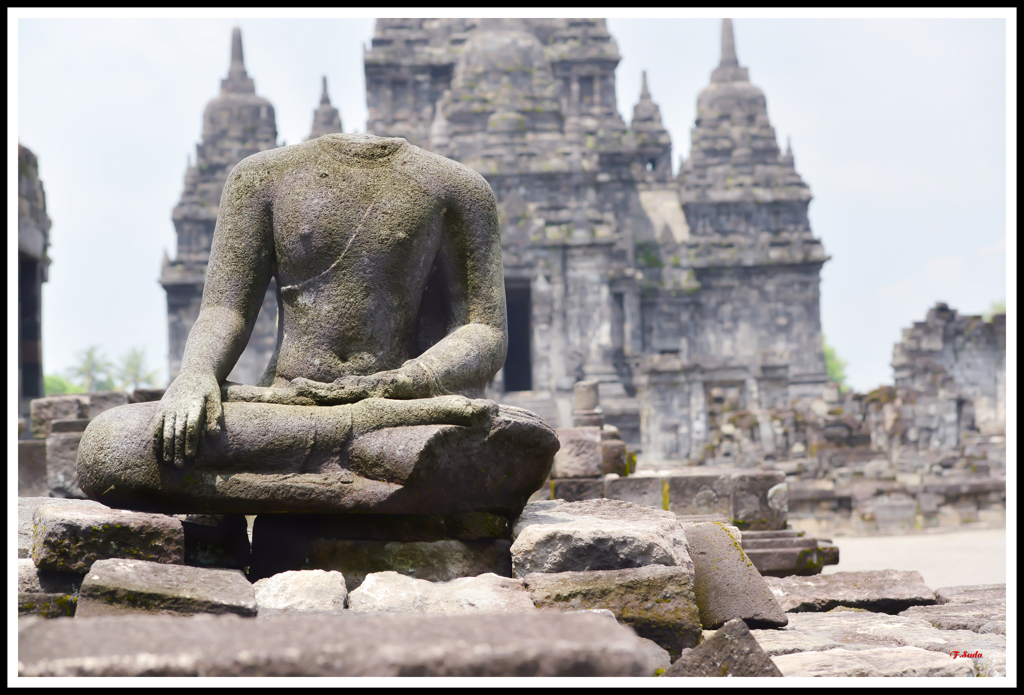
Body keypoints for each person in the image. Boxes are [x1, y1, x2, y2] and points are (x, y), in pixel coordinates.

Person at [77, 134, 556, 516]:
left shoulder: (457, 188)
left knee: (501, 439)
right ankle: (362, 453)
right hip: (288, 402)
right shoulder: (261, 177)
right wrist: (197, 374)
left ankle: (352, 444)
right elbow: (226, 309)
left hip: (403, 404)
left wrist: (407, 380)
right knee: (111, 446)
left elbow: (484, 330)